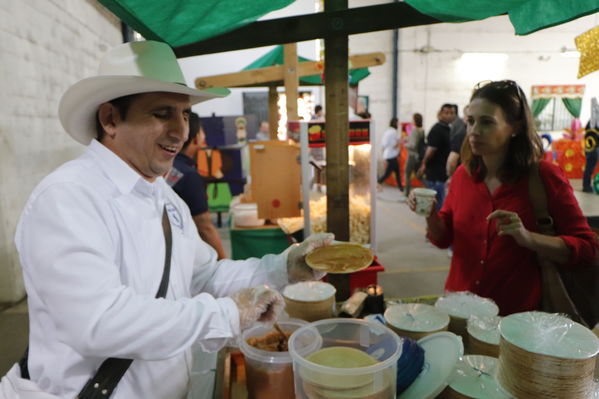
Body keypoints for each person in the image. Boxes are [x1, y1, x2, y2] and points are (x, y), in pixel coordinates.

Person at [10, 40, 333, 399]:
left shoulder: (165, 199)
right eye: (161, 113)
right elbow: (99, 321)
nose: (180, 131)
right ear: (110, 119)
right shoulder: (67, 198)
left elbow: (204, 275)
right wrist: (226, 315)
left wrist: (284, 268)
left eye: (184, 114)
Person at [408, 80, 597, 316]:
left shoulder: (543, 178)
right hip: (459, 311)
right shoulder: (462, 177)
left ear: (515, 127)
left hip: (516, 321)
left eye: (487, 122)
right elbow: (443, 238)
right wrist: (430, 213)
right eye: (471, 121)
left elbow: (587, 248)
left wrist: (528, 238)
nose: (474, 131)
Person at [166, 112, 227, 259]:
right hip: (182, 254)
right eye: (202, 133)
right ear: (194, 139)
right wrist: (223, 260)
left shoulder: (168, 167)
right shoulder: (189, 175)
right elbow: (204, 226)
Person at [417, 104, 455, 208]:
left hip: (442, 175)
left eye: (452, 113)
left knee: (439, 206)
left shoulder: (448, 129)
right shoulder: (437, 129)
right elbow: (430, 150)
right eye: (446, 113)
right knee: (436, 207)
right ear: (441, 114)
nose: (449, 115)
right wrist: (423, 164)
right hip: (435, 176)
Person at [377, 117, 403, 192]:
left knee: (396, 173)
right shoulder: (394, 132)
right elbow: (396, 144)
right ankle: (378, 182)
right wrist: (401, 142)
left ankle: (401, 189)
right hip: (392, 155)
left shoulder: (387, 132)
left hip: (387, 155)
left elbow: (383, 145)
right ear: (395, 123)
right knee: (388, 174)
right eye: (398, 123)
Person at [405, 113, 425, 196]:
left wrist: (405, 144)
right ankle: (429, 185)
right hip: (418, 155)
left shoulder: (414, 131)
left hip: (412, 155)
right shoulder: (422, 130)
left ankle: (407, 193)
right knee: (418, 174)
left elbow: (412, 145)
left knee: (407, 174)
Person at [446, 105, 469, 178]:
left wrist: (451, 178)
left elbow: (451, 161)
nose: (449, 115)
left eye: (452, 113)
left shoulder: (462, 134)